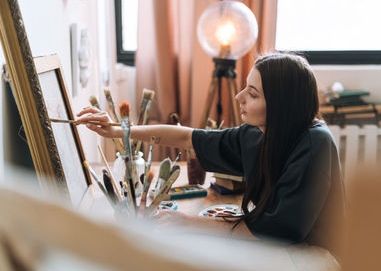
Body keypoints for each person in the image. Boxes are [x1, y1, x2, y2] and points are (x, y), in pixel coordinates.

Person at [77, 53, 345, 253]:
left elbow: (278, 232)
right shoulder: (257, 134)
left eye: (252, 94)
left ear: (281, 105)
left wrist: (189, 223)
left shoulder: (313, 144)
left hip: (311, 258)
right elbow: (187, 136)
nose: (239, 97)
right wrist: (118, 130)